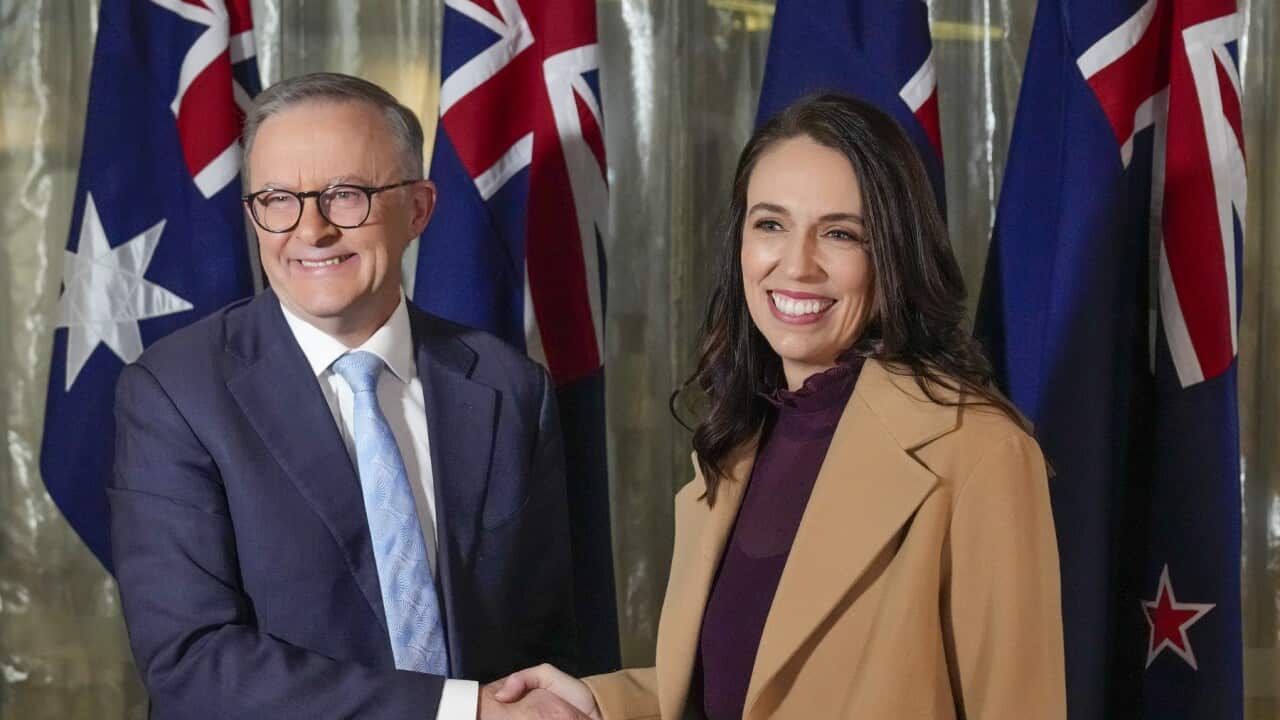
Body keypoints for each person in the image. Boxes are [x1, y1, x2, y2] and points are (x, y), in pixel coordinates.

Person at [494, 94, 1066, 719]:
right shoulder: (737, 436)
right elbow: (736, 683)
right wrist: (598, 703)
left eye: (841, 233)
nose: (797, 265)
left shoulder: (980, 452)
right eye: (771, 225)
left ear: (895, 257)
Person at [110, 72, 586, 719]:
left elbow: (551, 640)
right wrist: (459, 710)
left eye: (345, 195)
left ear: (418, 209)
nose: (311, 230)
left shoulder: (511, 388)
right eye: (278, 199)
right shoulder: (174, 394)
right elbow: (193, 662)